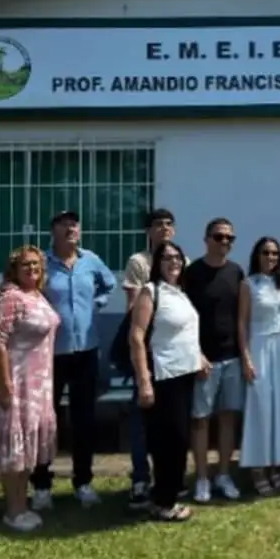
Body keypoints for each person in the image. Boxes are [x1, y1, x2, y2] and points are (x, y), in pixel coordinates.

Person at [30, 210, 116, 512]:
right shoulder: (41, 263)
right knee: (46, 422)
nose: (71, 228)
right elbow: (26, 291)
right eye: (64, 224)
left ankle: (83, 482)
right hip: (50, 354)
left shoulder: (90, 260)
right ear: (53, 230)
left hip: (86, 352)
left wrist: (97, 302)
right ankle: (42, 485)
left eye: (74, 224)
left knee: (84, 420)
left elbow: (109, 284)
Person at [129, 240, 210, 522]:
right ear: (157, 263)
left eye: (177, 257)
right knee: (168, 441)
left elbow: (185, 331)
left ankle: (166, 494)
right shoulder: (150, 292)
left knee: (179, 439)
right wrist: (144, 380)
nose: (174, 262)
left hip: (185, 375)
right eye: (167, 258)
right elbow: (136, 337)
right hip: (163, 377)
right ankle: (164, 502)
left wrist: (199, 356)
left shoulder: (180, 293)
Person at [0, 246, 60, 532]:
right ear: (14, 270)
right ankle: (13, 509)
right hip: (17, 381)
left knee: (28, 446)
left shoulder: (38, 295)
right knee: (14, 449)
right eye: (26, 265)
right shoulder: (10, 298)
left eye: (37, 265)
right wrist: (5, 384)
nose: (32, 269)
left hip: (40, 383)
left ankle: (23, 503)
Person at [122, 208, 186, 509]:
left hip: (174, 358)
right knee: (143, 420)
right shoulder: (140, 262)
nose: (164, 229)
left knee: (170, 425)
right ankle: (140, 478)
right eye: (158, 224)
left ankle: (170, 480)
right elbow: (134, 312)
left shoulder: (181, 262)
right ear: (149, 231)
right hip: (147, 352)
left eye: (169, 224)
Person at [184, 218, 246, 504]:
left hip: (232, 357)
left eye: (229, 238)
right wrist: (196, 353)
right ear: (206, 239)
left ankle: (223, 474)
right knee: (200, 420)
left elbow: (241, 317)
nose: (225, 242)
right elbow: (185, 318)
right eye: (219, 237)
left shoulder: (236, 272)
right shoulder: (193, 273)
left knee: (228, 418)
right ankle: (201, 478)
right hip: (203, 360)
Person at [237, 236, 280, 494]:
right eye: (266, 253)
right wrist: (246, 357)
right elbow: (242, 323)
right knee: (261, 406)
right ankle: (258, 468)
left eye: (275, 253)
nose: (270, 257)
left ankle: (276, 464)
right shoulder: (248, 284)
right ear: (257, 255)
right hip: (259, 346)